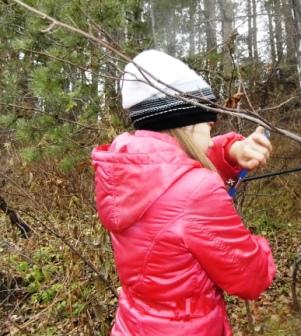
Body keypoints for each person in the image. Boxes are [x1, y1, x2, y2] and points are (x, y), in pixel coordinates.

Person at [92, 49, 276, 336]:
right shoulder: (197, 191)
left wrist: (232, 150)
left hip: (134, 325)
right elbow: (252, 278)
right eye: (207, 121)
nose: (212, 127)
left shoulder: (123, 168)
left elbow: (170, 173)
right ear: (187, 124)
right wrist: (262, 248)